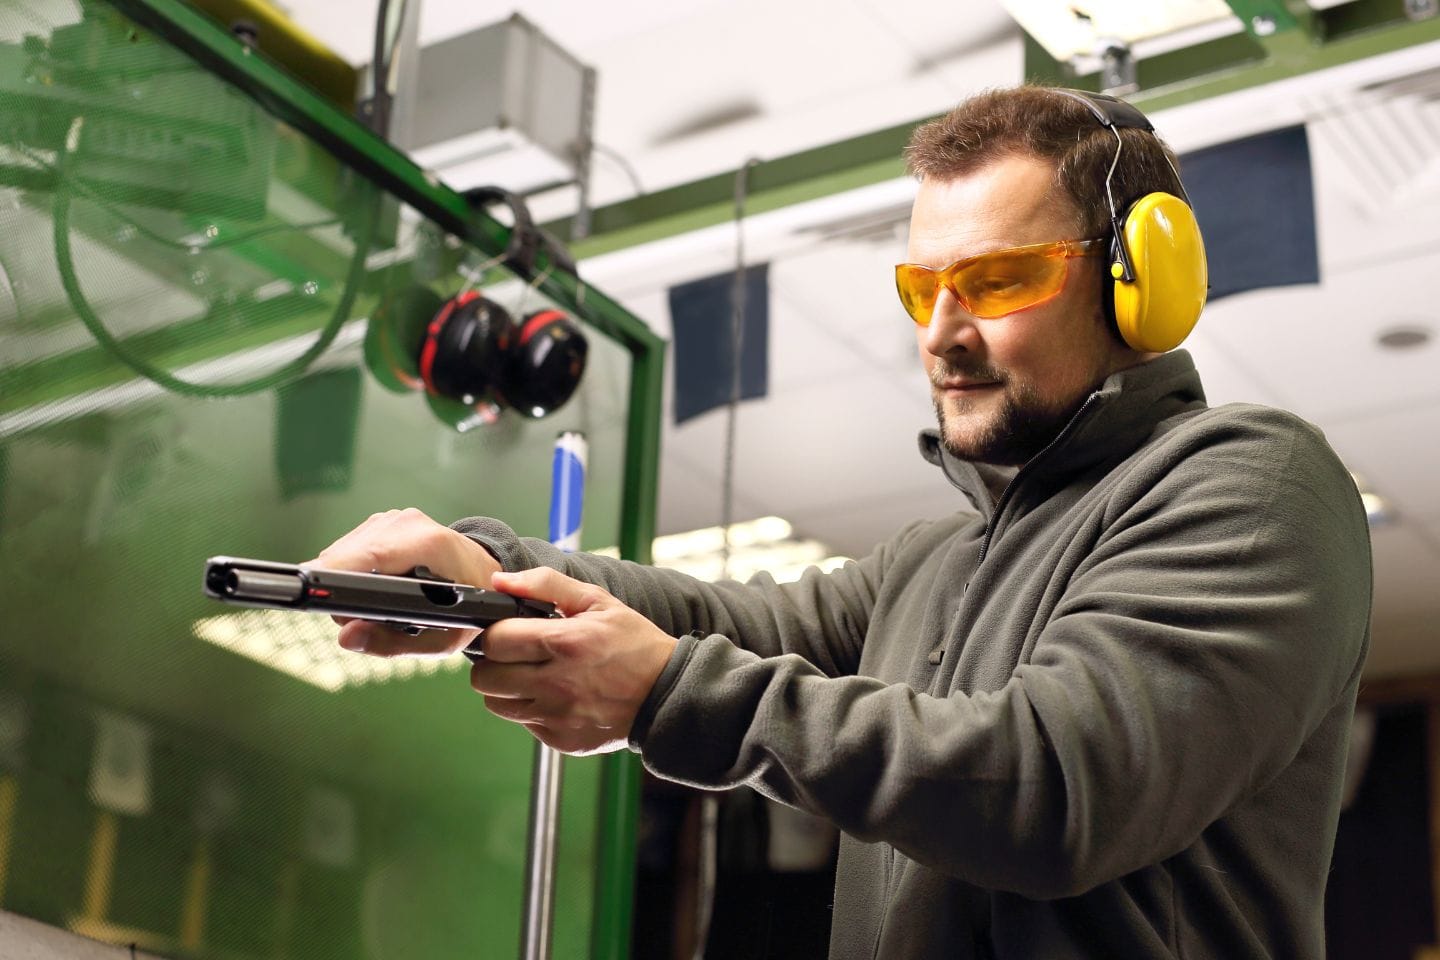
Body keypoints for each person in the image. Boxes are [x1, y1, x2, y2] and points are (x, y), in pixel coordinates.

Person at [312, 85, 1372, 958]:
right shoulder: (937, 561)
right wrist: (484, 572)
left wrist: (663, 692)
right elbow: (716, 622)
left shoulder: (1250, 483)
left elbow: (1055, 784)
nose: (944, 335)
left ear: (1144, 282)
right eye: (924, 289)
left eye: (997, 281)